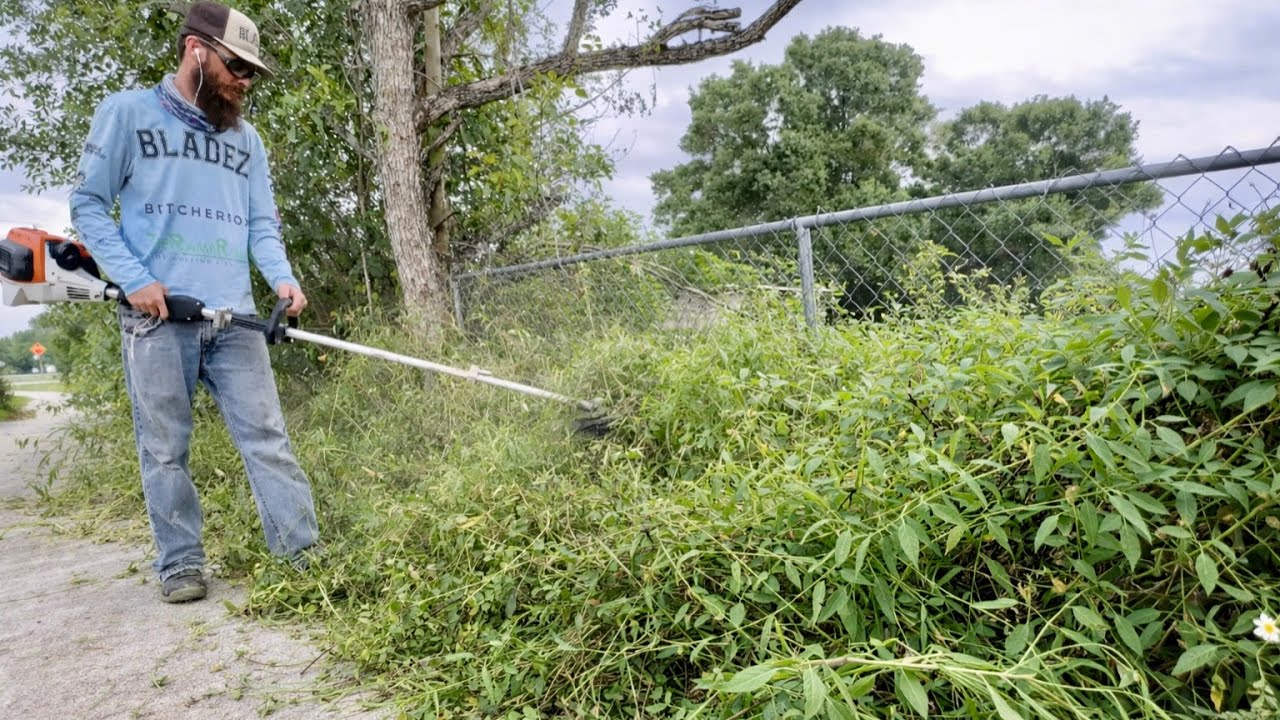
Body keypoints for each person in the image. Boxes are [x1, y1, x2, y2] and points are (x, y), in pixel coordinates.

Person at [69, 1, 319, 603]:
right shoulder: (127, 113)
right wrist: (134, 279)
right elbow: (87, 207)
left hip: (235, 317)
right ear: (195, 49)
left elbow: (262, 223)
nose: (245, 81)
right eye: (238, 66)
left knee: (268, 439)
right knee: (164, 448)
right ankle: (180, 563)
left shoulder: (245, 139)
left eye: (253, 72)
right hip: (157, 319)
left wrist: (282, 279)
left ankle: (304, 558)